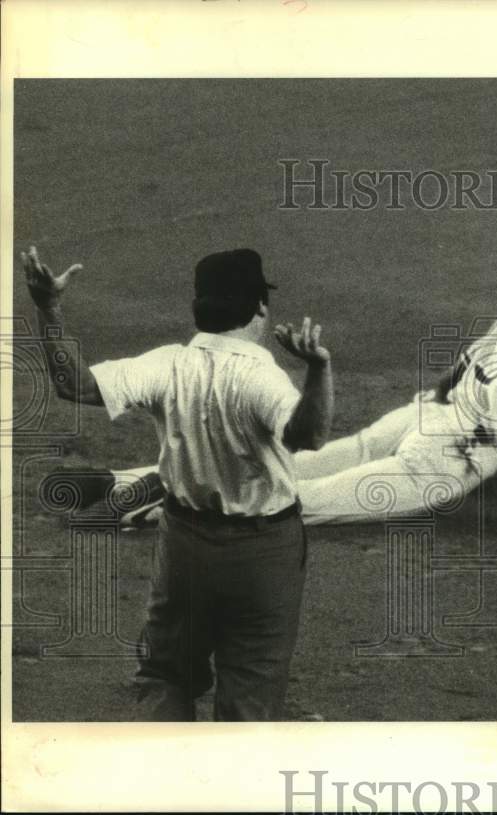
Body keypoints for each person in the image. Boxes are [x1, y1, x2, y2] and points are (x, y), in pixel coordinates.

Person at [57, 229, 497, 533]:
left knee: (302, 465)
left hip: (415, 419)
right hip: (444, 456)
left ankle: (119, 481)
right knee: (297, 506)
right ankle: (159, 507)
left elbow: (458, 372)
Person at [23, 245, 334, 720]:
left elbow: (74, 384)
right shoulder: (262, 377)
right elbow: (309, 435)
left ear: (200, 307)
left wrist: (48, 308)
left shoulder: (167, 363)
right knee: (251, 690)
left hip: (185, 546)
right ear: (260, 307)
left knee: (166, 675)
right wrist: (318, 369)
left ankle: (165, 785)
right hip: (263, 554)